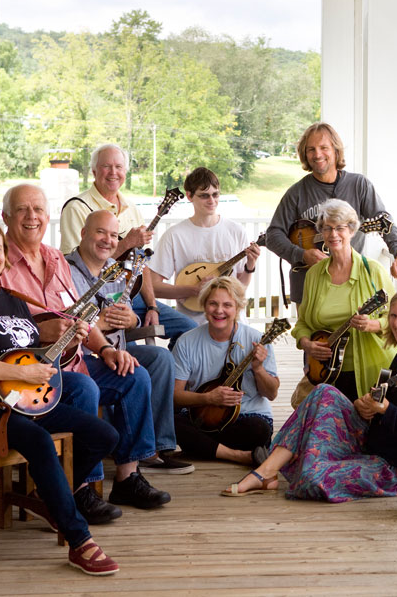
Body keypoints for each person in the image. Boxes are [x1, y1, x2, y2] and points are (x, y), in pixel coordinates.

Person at [0, 219, 121, 575]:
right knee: (37, 439)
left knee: (103, 435)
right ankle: (79, 541)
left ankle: (46, 497)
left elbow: (31, 356)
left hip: (21, 402)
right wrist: (20, 374)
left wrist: (67, 343)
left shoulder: (14, 302)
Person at [0, 183, 171, 518]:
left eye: (38, 210)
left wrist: (107, 350)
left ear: (48, 217)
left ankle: (128, 476)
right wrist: (39, 330)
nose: (31, 217)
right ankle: (82, 489)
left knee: (132, 373)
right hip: (28, 373)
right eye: (22, 210)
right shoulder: (0, 263)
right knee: (85, 387)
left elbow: (77, 316)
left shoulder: (53, 258)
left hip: (72, 360)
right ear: (6, 217)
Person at [222, 288, 397, 502]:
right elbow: (381, 412)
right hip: (375, 446)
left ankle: (289, 467)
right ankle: (266, 472)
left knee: (311, 478)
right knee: (324, 391)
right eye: (393, 315)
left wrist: (386, 410)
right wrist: (365, 406)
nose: (396, 323)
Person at [65, 210, 195, 474]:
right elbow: (72, 321)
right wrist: (100, 324)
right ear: (83, 234)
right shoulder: (65, 271)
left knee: (160, 358)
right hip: (80, 356)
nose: (108, 240)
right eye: (101, 232)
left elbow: (127, 315)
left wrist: (131, 321)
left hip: (114, 352)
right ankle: (130, 454)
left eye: (114, 235)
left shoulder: (114, 272)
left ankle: (157, 447)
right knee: (133, 373)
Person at [58, 143, 195, 344]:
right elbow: (75, 266)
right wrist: (127, 242)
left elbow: (141, 263)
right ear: (94, 171)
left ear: (125, 171)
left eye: (119, 167)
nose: (113, 172)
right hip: (94, 297)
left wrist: (151, 306)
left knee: (189, 330)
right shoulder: (77, 207)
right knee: (125, 348)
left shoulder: (131, 208)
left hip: (132, 294)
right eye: (106, 166)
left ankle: (181, 375)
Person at [265, 122, 397, 305]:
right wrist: (301, 255)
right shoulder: (297, 193)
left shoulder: (359, 186)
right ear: (304, 153)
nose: (317, 155)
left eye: (324, 147)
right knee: (309, 334)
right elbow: (272, 235)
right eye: (311, 149)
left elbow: (383, 221)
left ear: (335, 150)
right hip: (308, 288)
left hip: (350, 286)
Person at [290, 199, 396, 404]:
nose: (333, 234)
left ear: (352, 231)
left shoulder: (372, 271)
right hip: (325, 372)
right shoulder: (314, 274)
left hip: (366, 369)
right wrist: (307, 344)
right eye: (327, 228)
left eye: (340, 228)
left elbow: (394, 318)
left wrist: (372, 324)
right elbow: (302, 323)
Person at [171, 277, 280, 466]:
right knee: (170, 422)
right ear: (204, 306)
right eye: (213, 303)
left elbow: (271, 394)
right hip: (202, 417)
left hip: (246, 417)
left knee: (259, 430)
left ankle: (205, 448)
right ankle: (241, 456)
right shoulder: (186, 342)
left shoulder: (257, 339)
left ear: (237, 308)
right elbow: (175, 395)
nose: (219, 311)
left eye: (227, 305)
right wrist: (208, 399)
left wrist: (258, 368)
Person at [149, 166, 261, 327]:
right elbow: (153, 286)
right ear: (189, 196)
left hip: (233, 324)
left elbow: (241, 287)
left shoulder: (236, 231)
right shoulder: (174, 235)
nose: (212, 201)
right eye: (204, 196)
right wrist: (193, 290)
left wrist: (251, 265)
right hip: (191, 325)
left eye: (215, 194)